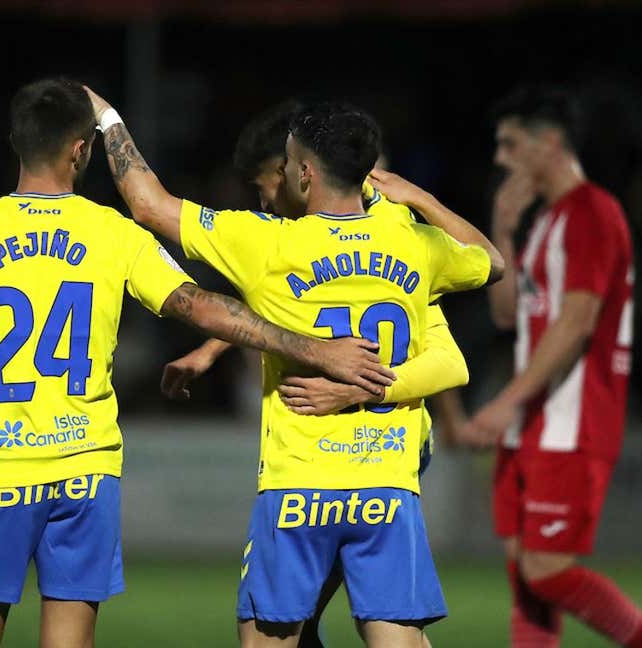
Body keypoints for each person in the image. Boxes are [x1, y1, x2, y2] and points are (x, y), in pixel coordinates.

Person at [0, 78, 394, 648]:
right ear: (80, 149)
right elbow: (203, 308)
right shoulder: (114, 234)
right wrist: (316, 348)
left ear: (17, 141)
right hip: (85, 472)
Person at [85, 87, 503, 647]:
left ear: (305, 173)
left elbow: (150, 205)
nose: (277, 175)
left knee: (268, 638)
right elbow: (492, 262)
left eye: (285, 163)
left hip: (300, 486)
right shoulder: (413, 243)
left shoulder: (268, 243)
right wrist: (417, 197)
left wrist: (106, 117)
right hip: (387, 482)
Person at [465, 86, 642, 648]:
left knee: (546, 569)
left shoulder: (593, 212)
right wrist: (501, 226)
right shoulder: (546, 223)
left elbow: (576, 323)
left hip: (571, 419)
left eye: (510, 144)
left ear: (550, 142)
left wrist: (507, 399)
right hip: (534, 421)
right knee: (527, 574)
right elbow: (506, 316)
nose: (501, 158)